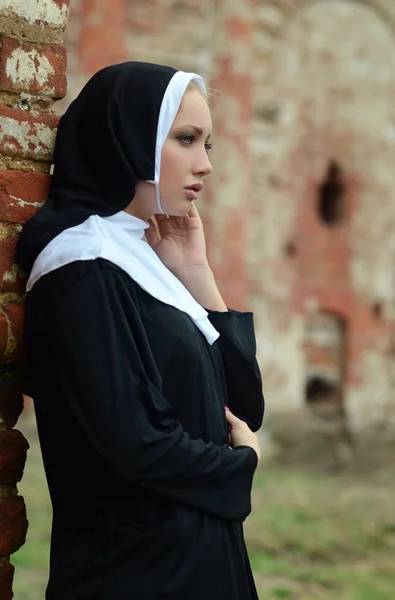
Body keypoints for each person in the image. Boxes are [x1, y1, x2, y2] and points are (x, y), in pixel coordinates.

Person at [16, 62, 264, 600]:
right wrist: (240, 463)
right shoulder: (81, 263)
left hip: (197, 562)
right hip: (137, 571)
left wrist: (197, 276)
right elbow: (135, 444)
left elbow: (244, 405)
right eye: (186, 139)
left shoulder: (141, 256)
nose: (206, 165)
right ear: (127, 139)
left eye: (208, 144)